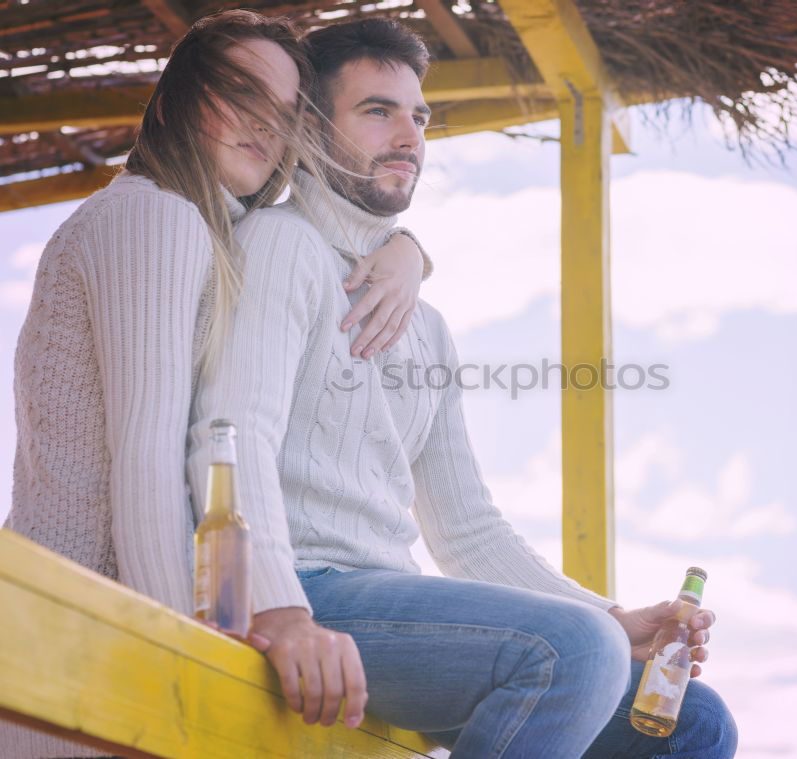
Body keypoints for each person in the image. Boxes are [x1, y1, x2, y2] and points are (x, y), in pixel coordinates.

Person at [186, 17, 738, 759]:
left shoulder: (427, 323)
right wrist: (280, 606)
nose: (409, 135)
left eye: (418, 116)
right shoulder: (282, 246)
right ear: (311, 128)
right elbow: (233, 434)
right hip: (306, 590)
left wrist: (613, 618)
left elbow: (469, 530)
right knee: (571, 653)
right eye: (377, 111)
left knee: (694, 720)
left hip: (394, 607)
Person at [1, 10, 432, 758]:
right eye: (239, 92)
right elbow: (149, 465)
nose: (264, 124)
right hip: (81, 645)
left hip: (80, 637)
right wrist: (194, 663)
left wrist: (409, 251)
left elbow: (334, 210)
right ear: (174, 99)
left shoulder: (199, 230)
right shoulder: (154, 218)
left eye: (285, 109)